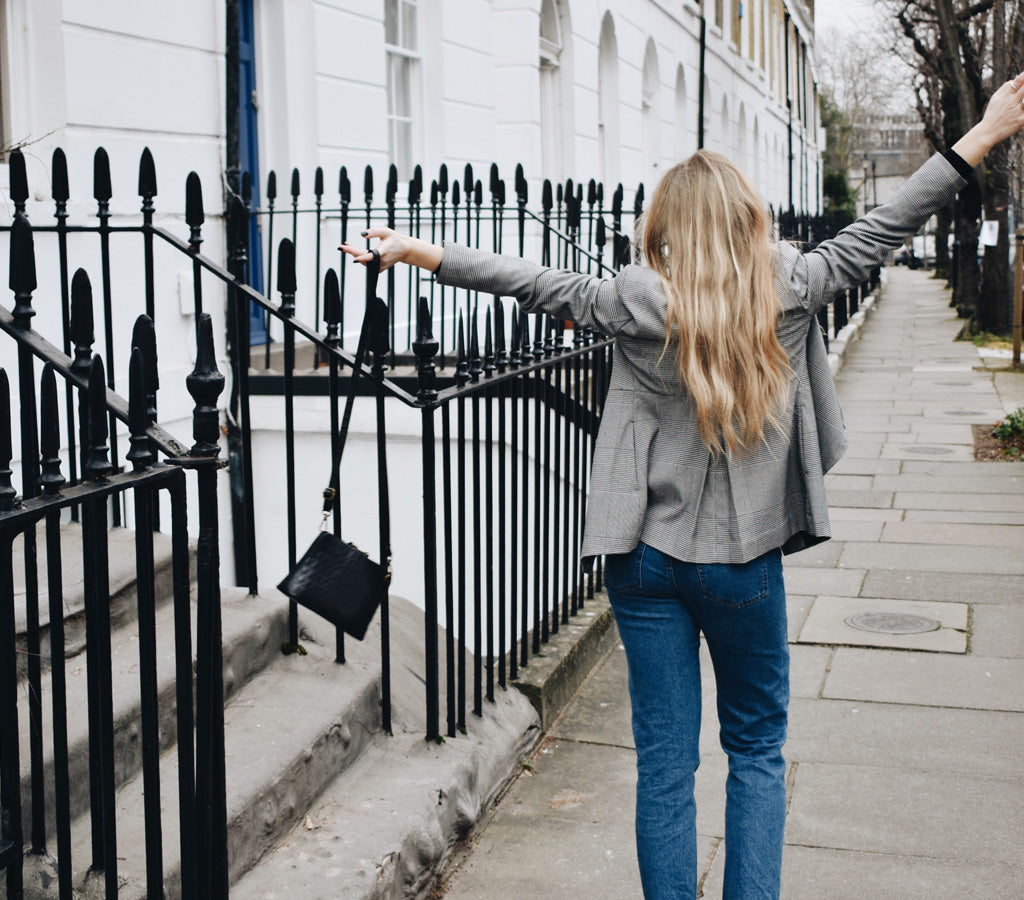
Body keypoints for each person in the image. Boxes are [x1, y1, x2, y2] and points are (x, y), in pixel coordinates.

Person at [342, 77, 1024, 900]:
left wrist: (420, 253)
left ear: (664, 227)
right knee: (757, 749)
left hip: (643, 564)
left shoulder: (632, 301)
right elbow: (887, 225)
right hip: (741, 567)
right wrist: (981, 136)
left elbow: (532, 282)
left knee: (665, 763)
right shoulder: (791, 289)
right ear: (745, 221)